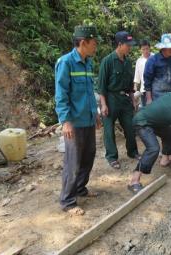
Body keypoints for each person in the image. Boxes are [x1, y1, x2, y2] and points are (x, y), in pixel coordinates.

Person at [55, 24, 101, 216]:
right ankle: (68, 200)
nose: (95, 47)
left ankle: (80, 188)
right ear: (83, 42)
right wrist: (65, 121)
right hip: (74, 123)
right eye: (94, 43)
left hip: (88, 119)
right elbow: (61, 94)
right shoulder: (66, 63)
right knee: (72, 163)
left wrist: (96, 113)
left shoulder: (88, 63)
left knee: (88, 157)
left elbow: (89, 92)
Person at [98, 31, 140, 169]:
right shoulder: (108, 61)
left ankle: (132, 152)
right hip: (110, 98)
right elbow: (102, 86)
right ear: (120, 44)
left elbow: (130, 86)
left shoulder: (128, 62)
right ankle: (112, 157)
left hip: (124, 99)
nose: (130, 48)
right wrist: (103, 104)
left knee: (130, 126)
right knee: (109, 130)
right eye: (128, 45)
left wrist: (133, 99)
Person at [144, 33, 171, 103]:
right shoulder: (152, 60)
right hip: (155, 98)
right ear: (163, 48)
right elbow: (147, 81)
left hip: (169, 97)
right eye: (169, 47)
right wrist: (149, 99)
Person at [134, 40, 153, 108]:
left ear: (149, 48)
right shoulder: (139, 61)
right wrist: (135, 88)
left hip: (154, 89)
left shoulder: (155, 58)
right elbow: (137, 76)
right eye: (143, 49)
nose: (145, 51)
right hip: (143, 90)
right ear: (140, 50)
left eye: (147, 48)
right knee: (145, 110)